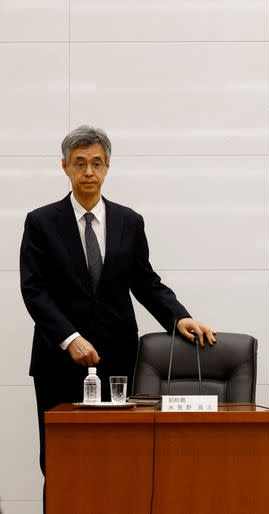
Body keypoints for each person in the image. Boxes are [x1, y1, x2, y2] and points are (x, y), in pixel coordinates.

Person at [20, 125, 216, 477]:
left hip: (118, 359)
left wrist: (178, 317)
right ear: (64, 166)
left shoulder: (129, 221)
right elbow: (34, 290)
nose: (89, 172)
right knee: (60, 459)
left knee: (120, 456)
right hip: (58, 360)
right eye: (79, 163)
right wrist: (71, 338)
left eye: (97, 163)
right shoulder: (41, 222)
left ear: (108, 166)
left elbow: (145, 282)